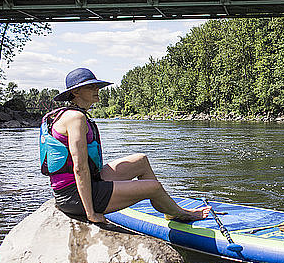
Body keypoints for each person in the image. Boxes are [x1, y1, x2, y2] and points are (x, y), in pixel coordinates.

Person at [40, 67, 210, 224]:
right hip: (74, 196)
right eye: (91, 87)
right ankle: (179, 213)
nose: (97, 90)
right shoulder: (75, 118)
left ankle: (170, 210)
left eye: (97, 86)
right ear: (76, 92)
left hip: (86, 185)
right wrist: (90, 213)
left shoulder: (74, 114)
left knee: (141, 160)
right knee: (153, 187)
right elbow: (80, 168)